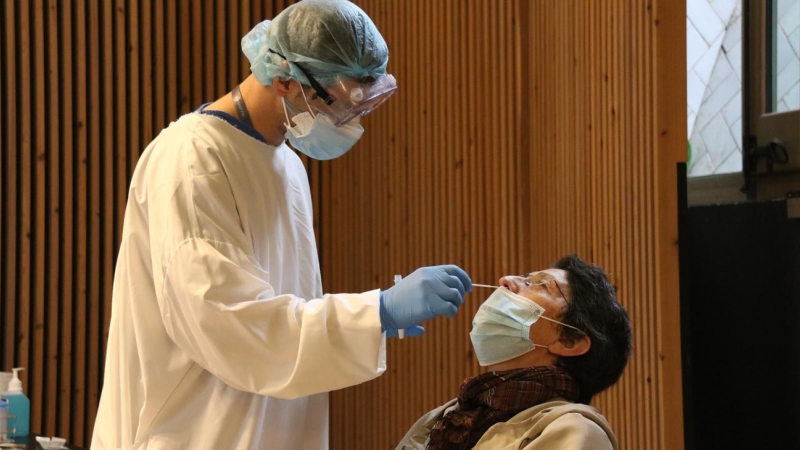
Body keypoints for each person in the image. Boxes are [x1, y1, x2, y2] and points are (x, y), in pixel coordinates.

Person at [91, 1, 472, 448]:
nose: (348, 124)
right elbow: (232, 326)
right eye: (343, 104)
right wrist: (376, 312)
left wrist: (372, 321)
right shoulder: (193, 160)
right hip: (195, 433)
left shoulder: (287, 165)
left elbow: (282, 310)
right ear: (286, 79)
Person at [397, 254, 632, 450]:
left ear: (568, 341)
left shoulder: (574, 431)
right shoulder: (448, 417)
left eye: (538, 284)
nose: (505, 280)